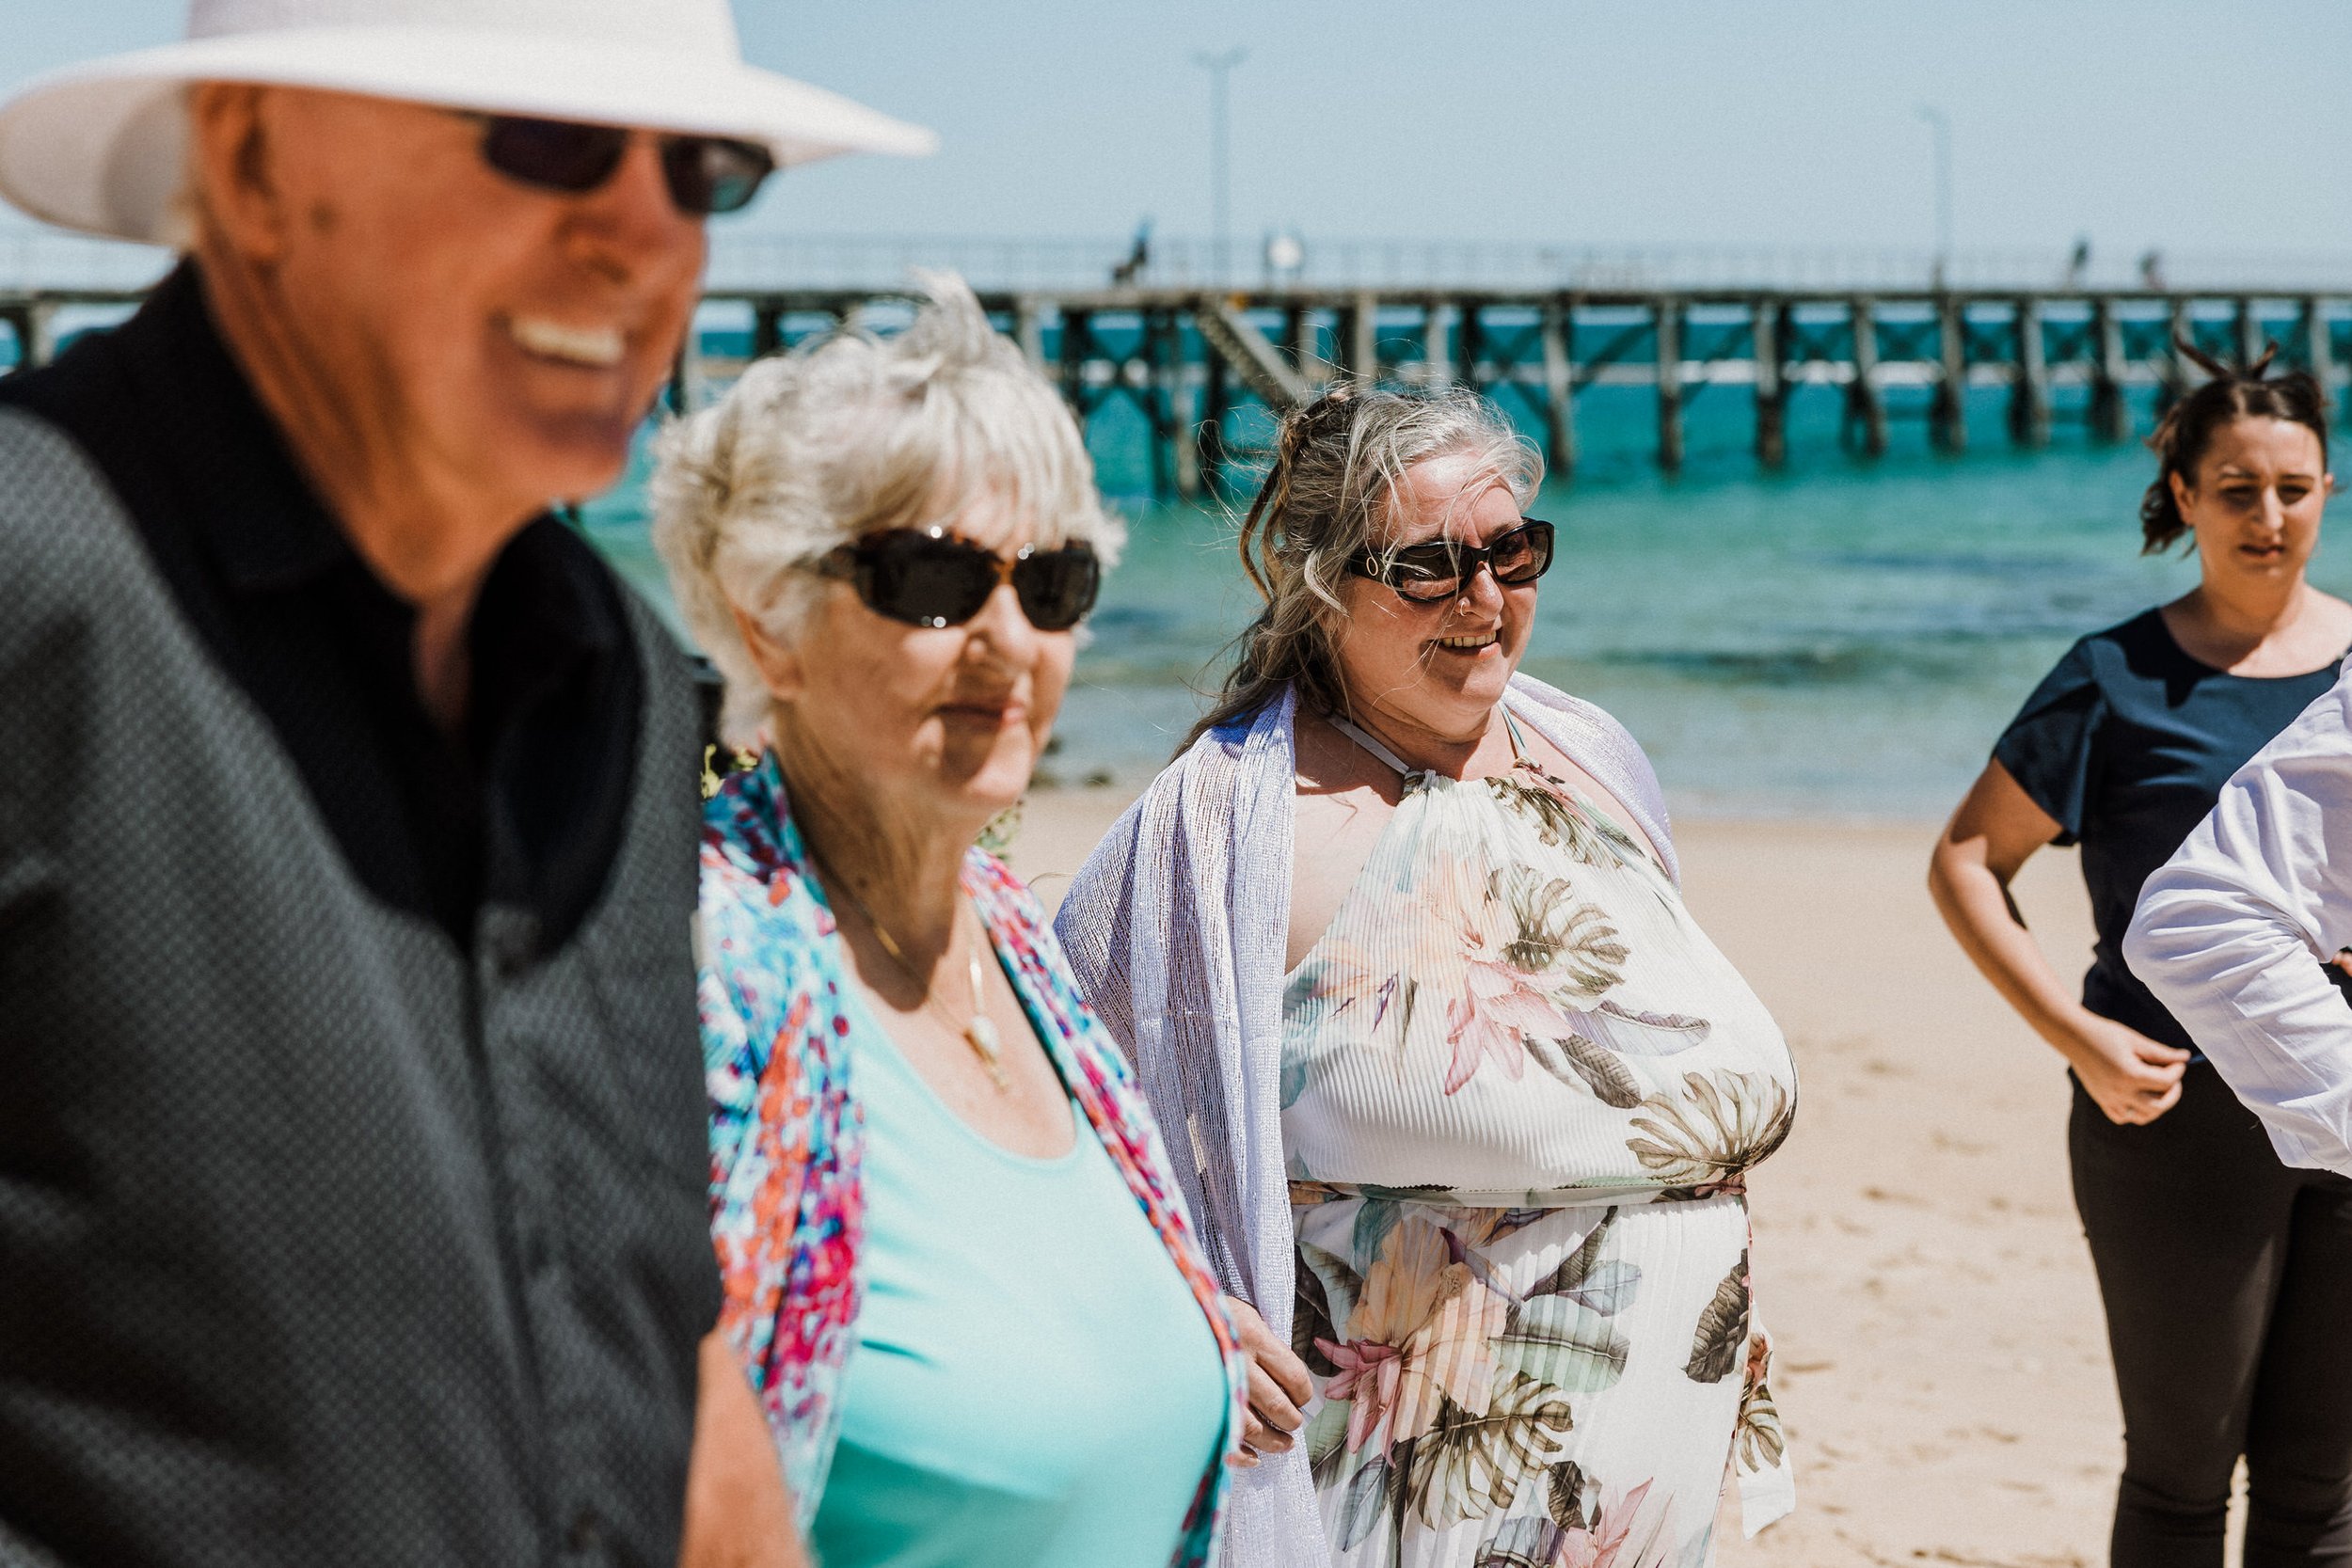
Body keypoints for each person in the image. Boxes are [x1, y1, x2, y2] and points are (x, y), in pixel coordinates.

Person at [0, 3, 930, 1564]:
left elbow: (651, 1333)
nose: (646, 233)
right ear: (250, 161)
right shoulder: (33, 590)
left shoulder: (618, 679)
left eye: (701, 170)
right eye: (549, 142)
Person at [1056, 387, 1799, 1567]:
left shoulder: (1589, 754)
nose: (1487, 599)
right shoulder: (1235, 823)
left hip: (1648, 1484)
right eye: (1430, 567)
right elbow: (1056, 1087)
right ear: (1322, 579)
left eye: (1513, 552)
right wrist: (1170, 1300)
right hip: (1412, 1506)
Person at [652, 274, 1245, 1568]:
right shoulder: (705, 976)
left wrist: (1182, 1332)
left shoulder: (1010, 943)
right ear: (770, 620)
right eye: (932, 578)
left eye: (1053, 581)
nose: (1005, 636)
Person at [1930, 344, 2352, 1568]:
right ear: (2181, 492)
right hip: (2172, 1112)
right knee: (2179, 1477)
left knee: (2324, 1487)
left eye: (2294, 486)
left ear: (2329, 489)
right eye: (2235, 487)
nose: (2267, 515)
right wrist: (2078, 1034)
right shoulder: (2117, 677)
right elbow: (1967, 857)